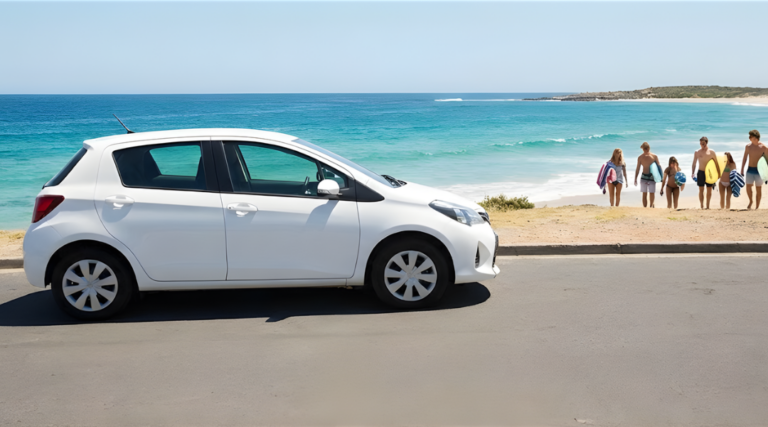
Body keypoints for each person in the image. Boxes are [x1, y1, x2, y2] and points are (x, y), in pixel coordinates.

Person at [740, 130, 767, 210]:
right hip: (750, 169)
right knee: (748, 187)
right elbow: (744, 158)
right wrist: (742, 169)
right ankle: (751, 201)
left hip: (759, 171)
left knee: (758, 188)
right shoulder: (748, 147)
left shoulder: (764, 148)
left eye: (750, 136)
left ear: (756, 138)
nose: (749, 138)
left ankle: (757, 206)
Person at [691, 136, 720, 209]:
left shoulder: (712, 152)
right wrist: (693, 173)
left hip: (709, 173)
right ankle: (702, 206)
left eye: (703, 144)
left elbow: (716, 164)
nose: (702, 145)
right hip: (701, 172)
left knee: (709, 190)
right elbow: (694, 163)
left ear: (706, 143)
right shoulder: (697, 152)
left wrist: (718, 174)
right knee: (701, 190)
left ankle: (708, 206)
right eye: (700, 144)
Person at [634, 142, 660, 208]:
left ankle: (651, 205)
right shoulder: (640, 157)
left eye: (647, 148)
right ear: (642, 149)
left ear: (649, 148)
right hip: (644, 177)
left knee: (652, 192)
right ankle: (645, 208)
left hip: (652, 176)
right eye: (644, 148)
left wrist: (661, 177)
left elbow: (659, 167)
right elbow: (637, 169)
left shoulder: (654, 156)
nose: (646, 150)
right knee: (644, 193)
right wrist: (635, 178)